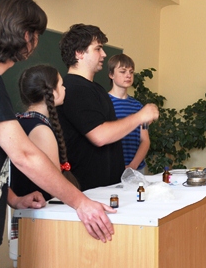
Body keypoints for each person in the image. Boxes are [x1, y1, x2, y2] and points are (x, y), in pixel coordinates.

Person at [0, 0, 114, 268]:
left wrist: (13, 198)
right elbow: (23, 154)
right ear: (24, 35)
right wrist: (80, 202)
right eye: (36, 34)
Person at [58, 24, 159, 191]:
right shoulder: (74, 88)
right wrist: (140, 116)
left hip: (109, 187)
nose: (104, 54)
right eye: (98, 49)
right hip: (88, 190)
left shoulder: (96, 89)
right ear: (79, 53)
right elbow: (99, 136)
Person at [11, 65, 80, 200]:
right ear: (52, 91)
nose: (65, 88)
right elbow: (54, 183)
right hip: (40, 205)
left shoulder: (21, 121)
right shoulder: (41, 131)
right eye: (61, 85)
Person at [108, 54, 150, 171]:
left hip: (136, 169)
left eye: (131, 72)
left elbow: (145, 140)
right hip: (111, 168)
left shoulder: (139, 106)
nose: (128, 75)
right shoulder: (104, 103)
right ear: (111, 74)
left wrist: (133, 165)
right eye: (123, 71)